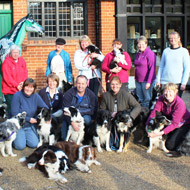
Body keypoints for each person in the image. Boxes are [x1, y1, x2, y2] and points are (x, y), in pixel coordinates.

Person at [146, 83, 190, 152]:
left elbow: (175, 123)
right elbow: (154, 112)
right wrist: (148, 128)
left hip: (182, 123)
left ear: (175, 92)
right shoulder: (161, 98)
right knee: (147, 142)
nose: (167, 93)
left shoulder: (179, 103)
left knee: (169, 145)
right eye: (166, 91)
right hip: (169, 121)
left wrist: (159, 133)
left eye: (170, 91)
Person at [11, 78, 48, 150]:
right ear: (23, 87)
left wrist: (47, 118)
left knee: (34, 144)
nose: (29, 89)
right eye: (27, 86)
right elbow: (14, 113)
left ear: (34, 88)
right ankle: (13, 137)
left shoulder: (36, 96)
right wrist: (28, 119)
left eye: (31, 87)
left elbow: (45, 107)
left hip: (29, 126)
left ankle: (23, 136)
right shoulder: (17, 96)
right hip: (18, 125)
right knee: (20, 146)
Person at [61, 75, 98, 140]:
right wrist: (71, 122)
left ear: (86, 84)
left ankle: (84, 137)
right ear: (76, 84)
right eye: (79, 83)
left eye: (83, 84)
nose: (80, 86)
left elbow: (93, 110)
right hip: (69, 117)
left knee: (87, 120)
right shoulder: (68, 94)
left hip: (84, 117)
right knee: (64, 138)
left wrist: (78, 115)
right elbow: (64, 110)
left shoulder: (91, 95)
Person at [156, 31, 190, 97]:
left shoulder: (184, 51)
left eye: (175, 38)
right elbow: (161, 67)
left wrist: (184, 82)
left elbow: (187, 68)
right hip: (165, 82)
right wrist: (158, 80)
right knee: (164, 103)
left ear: (179, 39)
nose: (173, 40)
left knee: (175, 104)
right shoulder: (166, 51)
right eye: (171, 38)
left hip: (177, 83)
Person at [2, 45, 28, 114]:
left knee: (21, 108)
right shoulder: (6, 63)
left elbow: (25, 72)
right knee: (12, 109)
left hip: (20, 89)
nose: (16, 54)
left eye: (17, 52)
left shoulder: (22, 60)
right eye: (14, 52)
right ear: (10, 53)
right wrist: (16, 85)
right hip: (10, 91)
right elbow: (7, 78)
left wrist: (23, 83)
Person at [134, 35, 156, 108]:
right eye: (139, 44)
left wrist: (149, 82)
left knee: (146, 99)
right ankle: (141, 114)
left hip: (146, 81)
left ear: (146, 44)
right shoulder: (138, 54)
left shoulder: (150, 54)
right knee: (140, 98)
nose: (141, 46)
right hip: (138, 80)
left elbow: (152, 68)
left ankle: (146, 115)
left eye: (142, 44)